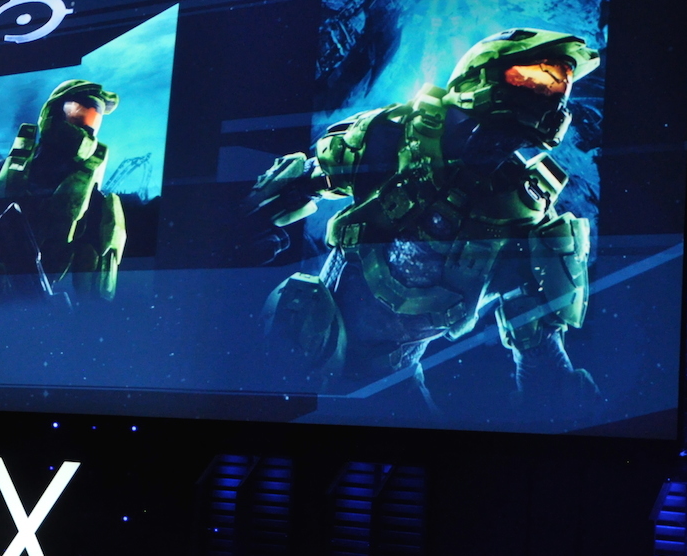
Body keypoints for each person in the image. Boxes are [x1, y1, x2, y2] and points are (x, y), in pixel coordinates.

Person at [243, 28, 600, 410]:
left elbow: (539, 342)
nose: (552, 94)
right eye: (536, 77)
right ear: (483, 75)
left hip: (394, 374)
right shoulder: (394, 135)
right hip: (310, 332)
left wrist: (557, 408)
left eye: (561, 84)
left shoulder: (526, 212)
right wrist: (244, 228)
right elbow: (301, 180)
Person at [0, 79, 126, 306]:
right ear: (53, 112)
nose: (84, 125)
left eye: (93, 118)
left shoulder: (96, 203)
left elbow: (96, 297)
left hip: (40, 312)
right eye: (77, 113)